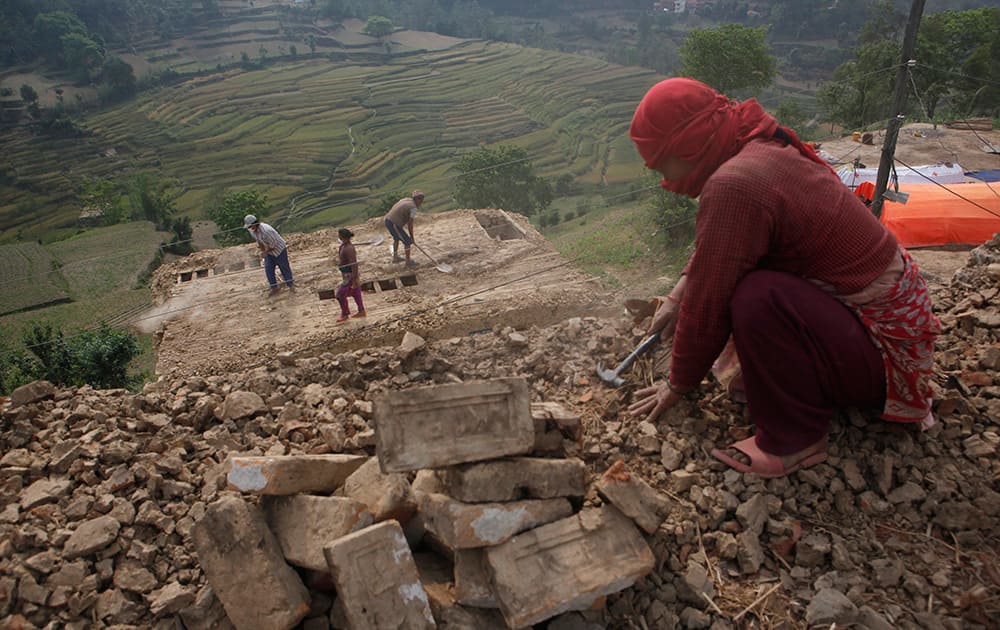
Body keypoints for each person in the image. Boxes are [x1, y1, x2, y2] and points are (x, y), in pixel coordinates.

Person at [625, 78, 940, 478]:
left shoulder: (735, 183)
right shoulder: (754, 144)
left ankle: (794, 439)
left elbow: (708, 306)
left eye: (661, 163)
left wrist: (678, 384)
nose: (664, 179)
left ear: (687, 145)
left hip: (886, 353)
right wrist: (675, 297)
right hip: (884, 322)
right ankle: (794, 388)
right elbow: (725, 249)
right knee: (752, 284)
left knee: (755, 297)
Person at [244, 214, 294, 295]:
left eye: (251, 226)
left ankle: (291, 285)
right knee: (268, 269)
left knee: (284, 267)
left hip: (279, 250)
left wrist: (265, 252)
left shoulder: (267, 231)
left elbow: (273, 245)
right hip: (268, 251)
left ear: (255, 223)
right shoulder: (252, 231)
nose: (250, 228)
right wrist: (262, 251)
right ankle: (274, 287)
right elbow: (259, 241)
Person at [384, 190, 424, 267]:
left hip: (388, 220)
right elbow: (410, 224)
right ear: (417, 199)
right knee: (407, 242)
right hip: (393, 224)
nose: (421, 203)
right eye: (421, 200)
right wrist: (412, 237)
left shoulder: (406, 199)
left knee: (396, 238)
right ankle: (408, 262)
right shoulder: (413, 208)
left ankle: (395, 258)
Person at [335, 227, 365, 323]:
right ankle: (361, 310)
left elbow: (354, 263)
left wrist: (355, 278)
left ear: (342, 236)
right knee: (356, 292)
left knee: (340, 294)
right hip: (346, 274)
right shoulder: (343, 246)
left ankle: (345, 313)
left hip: (350, 276)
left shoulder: (349, 248)